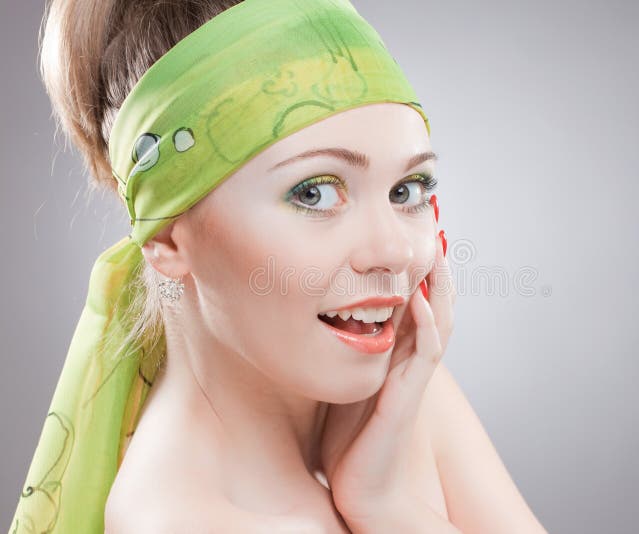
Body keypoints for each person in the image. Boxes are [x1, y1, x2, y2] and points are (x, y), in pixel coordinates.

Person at [10, 1, 549, 532]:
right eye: (314, 192)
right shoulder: (181, 521)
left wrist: (384, 503)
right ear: (171, 238)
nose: (397, 252)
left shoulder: (400, 400)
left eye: (407, 190)